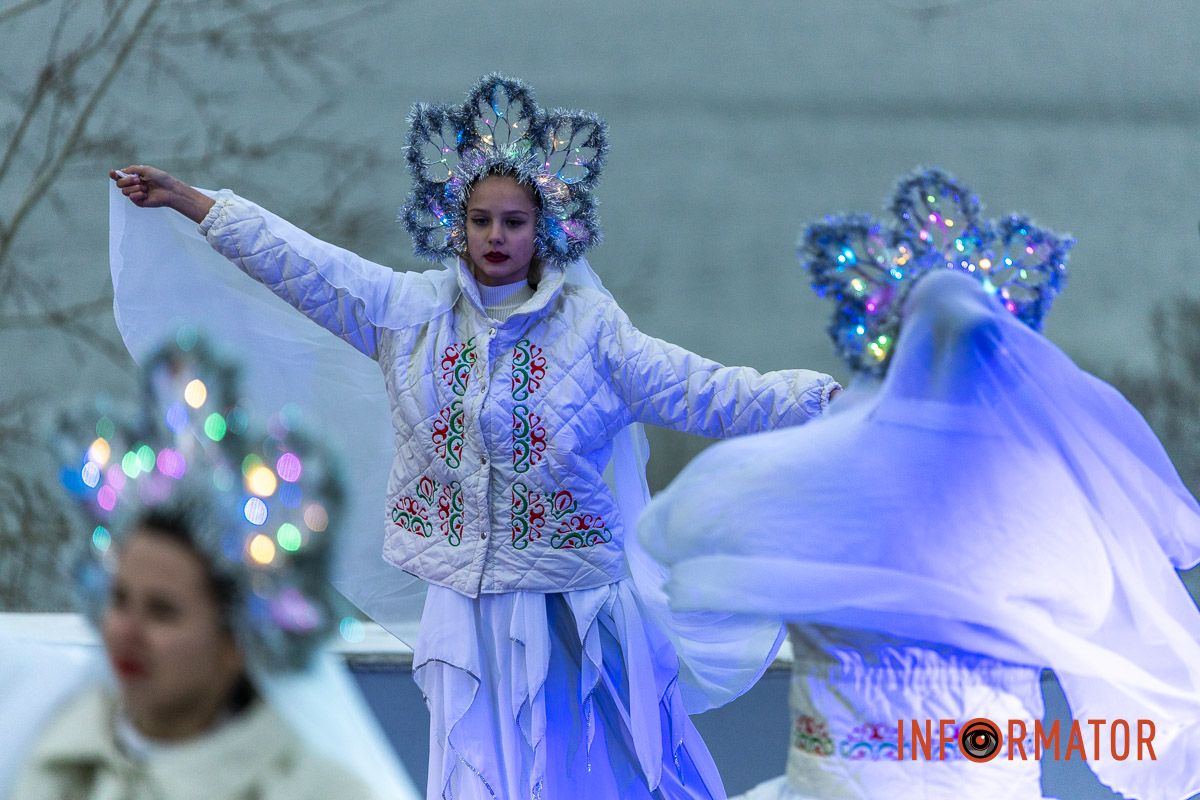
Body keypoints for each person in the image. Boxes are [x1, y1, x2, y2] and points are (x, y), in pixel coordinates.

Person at [108, 74, 841, 799]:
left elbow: (706, 390)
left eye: (514, 221)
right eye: (482, 219)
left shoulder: (593, 332)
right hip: (464, 607)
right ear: (454, 224)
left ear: (544, 228)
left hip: (570, 614)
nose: (496, 237)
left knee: (580, 776)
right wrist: (191, 202)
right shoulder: (409, 314)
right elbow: (304, 265)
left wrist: (828, 403)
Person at [637, 168, 1200, 800]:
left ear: (886, 346)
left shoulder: (794, 478)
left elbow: (673, 538)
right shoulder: (1051, 505)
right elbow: (1115, 652)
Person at [4, 338, 420, 800]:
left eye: (163, 611)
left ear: (235, 642)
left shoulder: (313, 792)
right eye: (120, 598)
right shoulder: (55, 766)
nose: (127, 631)